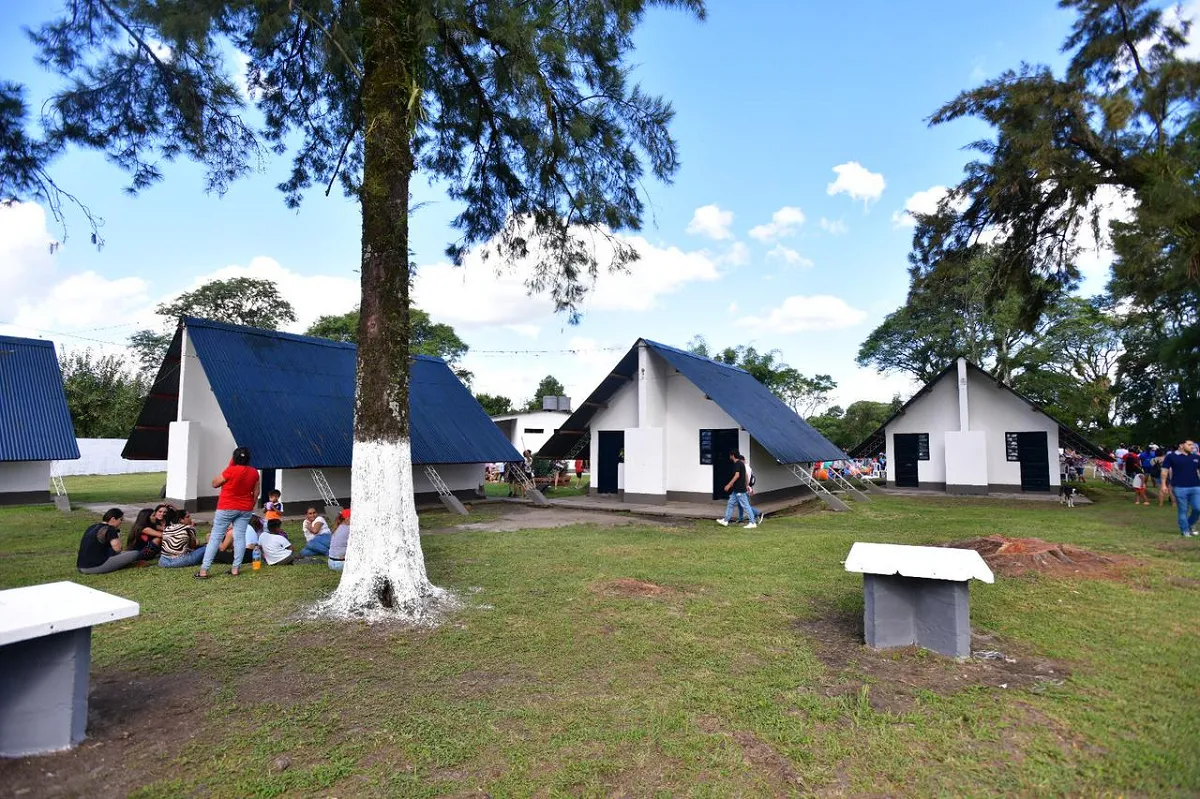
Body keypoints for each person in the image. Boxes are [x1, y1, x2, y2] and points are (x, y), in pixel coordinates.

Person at [196, 446, 260, 578]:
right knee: (240, 537)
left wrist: (231, 464)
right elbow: (256, 492)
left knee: (215, 538)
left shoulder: (230, 470)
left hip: (226, 507)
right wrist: (250, 505)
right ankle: (235, 569)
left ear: (234, 458)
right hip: (245, 508)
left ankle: (204, 571)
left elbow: (215, 483)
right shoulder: (254, 472)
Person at [77, 508, 140, 574]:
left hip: (81, 566)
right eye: (120, 519)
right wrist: (118, 532)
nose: (121, 522)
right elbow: (118, 549)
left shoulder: (92, 527)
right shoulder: (110, 529)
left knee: (122, 553)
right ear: (113, 519)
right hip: (94, 567)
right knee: (135, 553)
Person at [1164, 440, 1200, 537]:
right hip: (1179, 487)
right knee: (1183, 510)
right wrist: (1163, 484)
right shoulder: (1171, 456)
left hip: (1196, 487)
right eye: (1189, 445)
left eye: (1192, 445)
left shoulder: (1196, 457)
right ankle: (1185, 531)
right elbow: (1164, 470)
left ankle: (1189, 525)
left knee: (1198, 508)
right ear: (1181, 445)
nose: (1192, 447)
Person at [716, 450, 756, 529]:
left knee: (746, 506)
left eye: (730, 455)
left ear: (733, 456)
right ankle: (725, 520)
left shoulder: (737, 464)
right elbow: (745, 476)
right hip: (736, 490)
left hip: (739, 490)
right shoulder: (741, 463)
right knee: (730, 504)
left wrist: (729, 485)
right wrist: (747, 485)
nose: (729, 457)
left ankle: (752, 522)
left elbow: (737, 475)